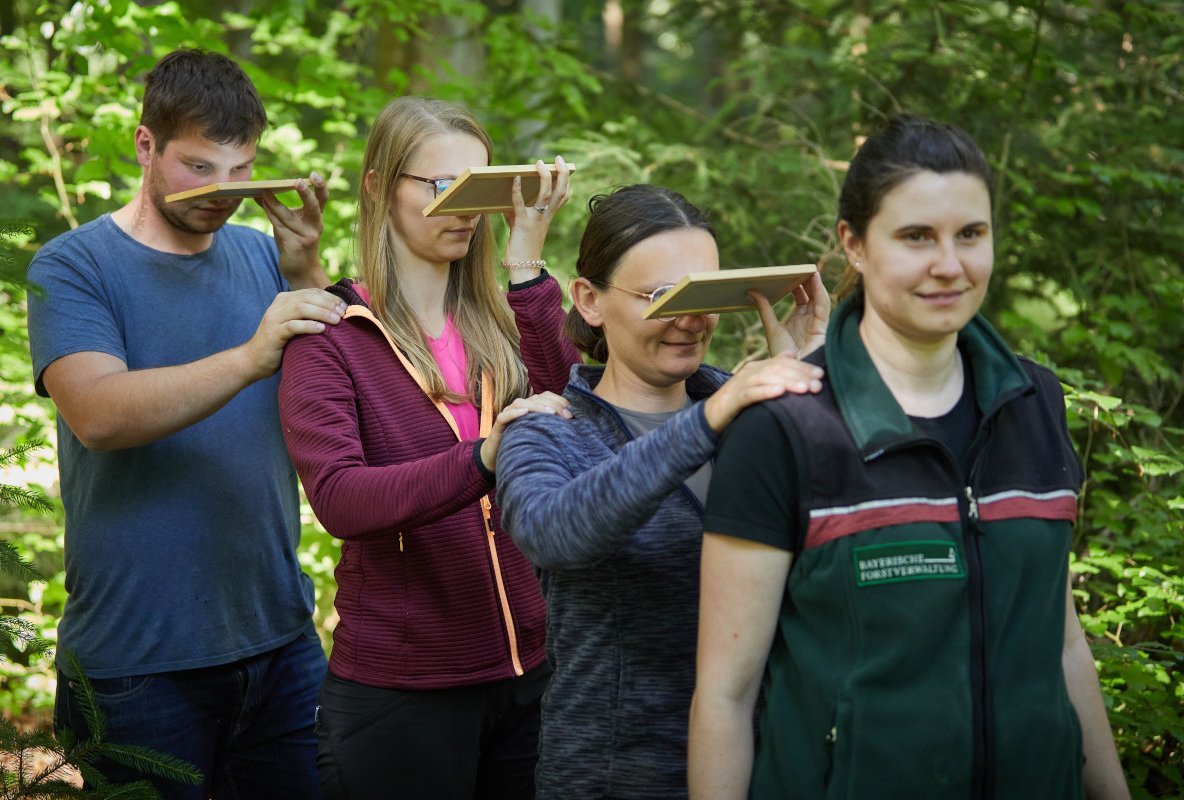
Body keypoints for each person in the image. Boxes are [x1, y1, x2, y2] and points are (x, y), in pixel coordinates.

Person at [688, 115, 1131, 800]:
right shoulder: (784, 428)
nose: (949, 265)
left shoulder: (1033, 402)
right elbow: (726, 694)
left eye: (971, 234)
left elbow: (1064, 642)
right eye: (916, 236)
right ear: (854, 245)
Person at [25, 49, 342, 798]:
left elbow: (349, 396)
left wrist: (305, 269)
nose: (222, 191)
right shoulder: (72, 266)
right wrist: (250, 356)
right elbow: (98, 414)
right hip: (137, 669)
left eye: (242, 171)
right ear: (146, 145)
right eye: (199, 168)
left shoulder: (265, 258)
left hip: (281, 645)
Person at [276, 96, 578, 800]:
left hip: (532, 676)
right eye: (442, 186)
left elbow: (579, 417)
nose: (464, 209)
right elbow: (341, 499)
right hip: (402, 691)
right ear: (379, 186)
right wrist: (483, 459)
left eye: (479, 187)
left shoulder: (503, 322)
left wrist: (526, 266)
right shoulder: (332, 337)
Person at [494, 183, 828, 799]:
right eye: (661, 296)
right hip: (616, 779)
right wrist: (709, 421)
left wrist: (815, 382)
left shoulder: (753, 413)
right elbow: (553, 533)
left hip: (769, 770)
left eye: (704, 295)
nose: (691, 320)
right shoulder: (547, 431)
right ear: (590, 300)